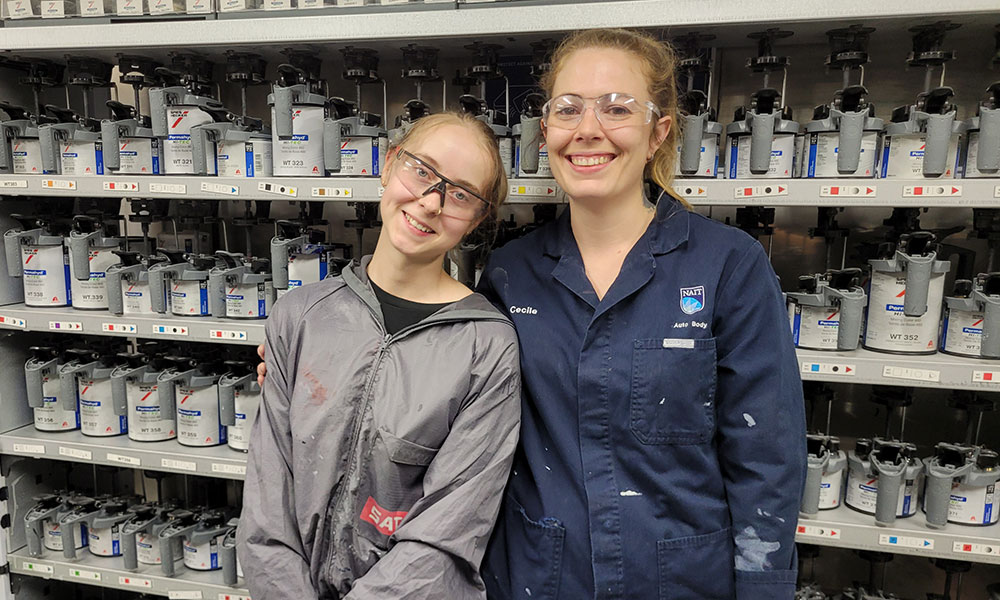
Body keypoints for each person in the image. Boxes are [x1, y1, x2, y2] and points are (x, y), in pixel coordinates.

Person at [477, 29, 806, 599]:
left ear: (659, 133)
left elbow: (767, 459)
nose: (587, 129)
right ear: (545, 131)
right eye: (568, 108)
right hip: (541, 578)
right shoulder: (511, 273)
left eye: (617, 108)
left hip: (681, 583)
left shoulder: (728, 265)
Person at [238, 112, 521, 600]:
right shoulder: (300, 316)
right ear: (389, 165)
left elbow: (446, 534)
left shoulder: (487, 347)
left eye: (460, 195)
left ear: (477, 219)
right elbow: (267, 508)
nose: (431, 202)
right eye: (422, 171)